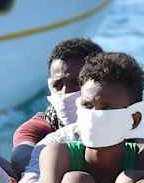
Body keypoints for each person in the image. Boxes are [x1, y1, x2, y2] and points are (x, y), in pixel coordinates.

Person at [38, 52, 144, 183]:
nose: (93, 115)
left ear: (134, 120)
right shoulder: (59, 154)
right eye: (87, 105)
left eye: (107, 108)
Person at [12, 39, 103, 175]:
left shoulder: (128, 122)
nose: (66, 93)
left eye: (77, 83)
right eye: (58, 85)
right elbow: (21, 159)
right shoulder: (37, 128)